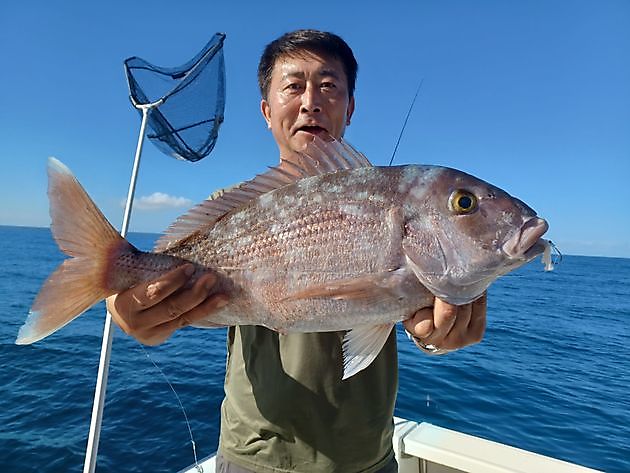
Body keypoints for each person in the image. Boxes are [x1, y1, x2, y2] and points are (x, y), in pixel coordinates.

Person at [107, 30, 487, 473]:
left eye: (329, 86)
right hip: (252, 456)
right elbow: (140, 295)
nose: (311, 101)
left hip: (366, 458)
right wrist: (127, 309)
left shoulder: (398, 203)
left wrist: (436, 338)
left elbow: (417, 320)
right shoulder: (231, 205)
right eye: (293, 86)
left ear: (350, 108)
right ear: (267, 113)